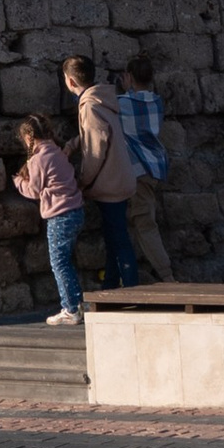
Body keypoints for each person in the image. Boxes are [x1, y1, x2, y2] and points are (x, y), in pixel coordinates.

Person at [62, 54, 142, 289]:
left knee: (118, 240)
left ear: (70, 81)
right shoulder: (103, 99)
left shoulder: (89, 106)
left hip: (109, 183)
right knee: (114, 238)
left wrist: (83, 181)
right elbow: (98, 132)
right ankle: (110, 287)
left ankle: (130, 290)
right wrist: (73, 145)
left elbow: (96, 147)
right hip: (121, 177)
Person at [13, 113, 88, 322]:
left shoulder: (39, 158)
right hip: (76, 210)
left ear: (28, 137)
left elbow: (34, 190)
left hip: (60, 215)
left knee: (59, 262)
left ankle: (71, 309)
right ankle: (78, 304)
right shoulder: (55, 150)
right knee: (67, 260)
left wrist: (18, 182)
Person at [111, 57, 177, 282]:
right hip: (155, 167)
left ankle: (167, 277)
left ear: (129, 77)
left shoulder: (122, 103)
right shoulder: (155, 101)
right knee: (144, 220)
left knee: (145, 224)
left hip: (138, 171)